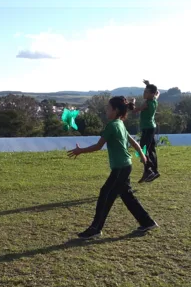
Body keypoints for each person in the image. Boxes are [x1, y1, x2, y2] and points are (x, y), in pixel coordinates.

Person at [67, 96, 159, 239]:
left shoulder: (112, 125)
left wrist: (80, 151)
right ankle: (147, 222)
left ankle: (95, 228)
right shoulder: (120, 124)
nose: (106, 110)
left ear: (115, 110)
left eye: (108, 108)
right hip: (126, 165)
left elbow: (98, 146)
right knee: (126, 195)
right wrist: (142, 155)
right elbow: (134, 141)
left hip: (120, 168)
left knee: (106, 194)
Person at [131, 79, 160, 183]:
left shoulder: (147, 104)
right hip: (151, 128)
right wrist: (148, 85)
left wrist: (132, 103)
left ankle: (149, 169)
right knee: (151, 150)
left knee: (142, 150)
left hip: (147, 129)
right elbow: (158, 92)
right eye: (144, 91)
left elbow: (134, 111)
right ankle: (153, 171)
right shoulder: (154, 100)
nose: (144, 93)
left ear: (151, 94)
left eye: (146, 92)